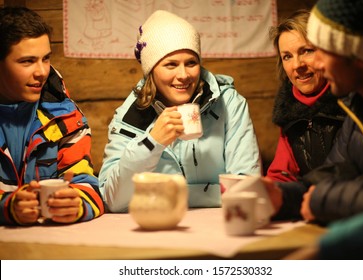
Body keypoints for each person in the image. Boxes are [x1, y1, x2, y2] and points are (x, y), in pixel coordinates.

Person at [98, 10, 262, 213]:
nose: (183, 75)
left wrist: (169, 196)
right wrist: (151, 143)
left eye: (191, 63)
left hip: (218, 225)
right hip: (157, 228)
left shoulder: (229, 104)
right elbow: (112, 199)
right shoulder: (130, 116)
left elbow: (246, 186)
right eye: (171, 65)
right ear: (152, 70)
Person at [264, 0, 363, 226]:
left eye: (320, 50)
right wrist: (283, 196)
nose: (314, 64)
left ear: (356, 54)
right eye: (287, 56)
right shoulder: (358, 108)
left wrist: (325, 201)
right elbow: (335, 172)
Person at [0, 7, 104, 225]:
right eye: (27, 61)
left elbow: (89, 185)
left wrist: (77, 204)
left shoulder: (65, 116)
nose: (42, 72)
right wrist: (7, 206)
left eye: (46, 58)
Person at [267, 9, 347, 183]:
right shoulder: (288, 113)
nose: (297, 65)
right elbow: (281, 175)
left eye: (307, 51)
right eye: (287, 56)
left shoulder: (350, 103)